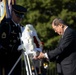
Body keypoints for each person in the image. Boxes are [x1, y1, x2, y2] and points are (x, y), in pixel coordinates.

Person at [0, 4, 27, 75]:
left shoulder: (21, 27)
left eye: (21, 16)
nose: (19, 18)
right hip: (7, 59)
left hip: (17, 59)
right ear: (12, 13)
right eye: (18, 15)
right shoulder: (6, 25)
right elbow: (3, 42)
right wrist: (17, 47)